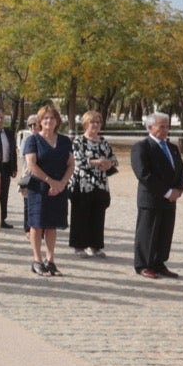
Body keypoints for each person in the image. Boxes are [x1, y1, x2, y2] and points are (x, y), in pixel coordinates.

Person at [132, 111, 183, 279]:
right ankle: (144, 265)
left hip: (170, 200)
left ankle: (159, 263)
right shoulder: (142, 147)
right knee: (148, 232)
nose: (165, 130)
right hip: (151, 198)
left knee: (165, 233)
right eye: (161, 127)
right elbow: (143, 174)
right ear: (150, 127)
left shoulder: (172, 148)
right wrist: (167, 192)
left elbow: (181, 171)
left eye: (167, 127)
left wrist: (178, 190)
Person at [23, 104, 75, 277]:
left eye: (52, 118)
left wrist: (62, 183)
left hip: (59, 188)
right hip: (39, 188)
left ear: (57, 121)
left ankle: (50, 260)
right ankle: (37, 261)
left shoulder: (65, 141)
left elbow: (71, 164)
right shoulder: (32, 140)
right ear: (40, 121)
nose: (49, 121)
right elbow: (31, 164)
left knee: (52, 225)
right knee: (37, 224)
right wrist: (51, 182)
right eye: (45, 118)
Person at [69, 110, 118, 258]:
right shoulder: (78, 141)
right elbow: (78, 161)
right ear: (85, 124)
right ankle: (79, 246)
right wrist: (98, 162)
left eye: (98, 122)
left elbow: (114, 158)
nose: (95, 125)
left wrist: (109, 163)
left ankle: (96, 246)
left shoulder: (103, 142)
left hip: (100, 184)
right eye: (92, 122)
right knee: (80, 215)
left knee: (98, 216)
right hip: (82, 184)